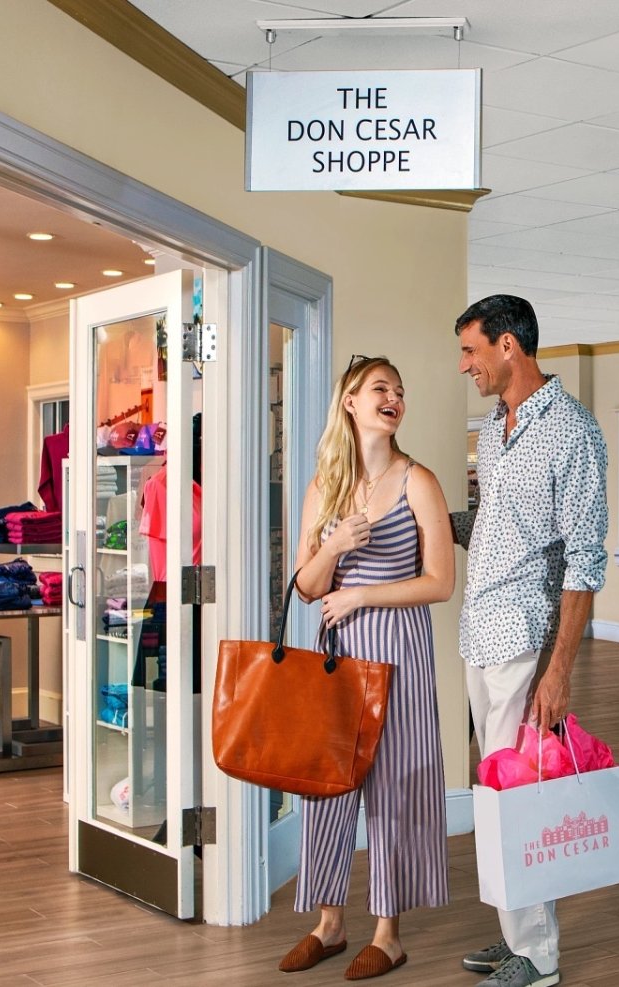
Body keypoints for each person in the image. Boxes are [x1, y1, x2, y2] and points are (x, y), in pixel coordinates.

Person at [278, 355, 456, 981]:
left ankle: (389, 933)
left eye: (400, 391)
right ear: (350, 401)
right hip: (337, 657)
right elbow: (303, 586)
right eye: (381, 388)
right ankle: (329, 924)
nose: (394, 398)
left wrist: (361, 594)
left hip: (399, 651)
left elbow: (440, 582)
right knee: (328, 785)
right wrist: (334, 546)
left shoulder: (419, 482)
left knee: (394, 787)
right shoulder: (324, 486)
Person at [449, 295, 609, 987]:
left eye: (471, 350)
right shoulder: (494, 426)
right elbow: (496, 523)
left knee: (518, 796)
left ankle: (538, 955)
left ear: (509, 345)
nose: (465, 366)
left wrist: (559, 668)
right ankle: (518, 929)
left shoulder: (572, 431)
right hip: (477, 629)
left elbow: (585, 559)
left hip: (523, 635)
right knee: (496, 789)